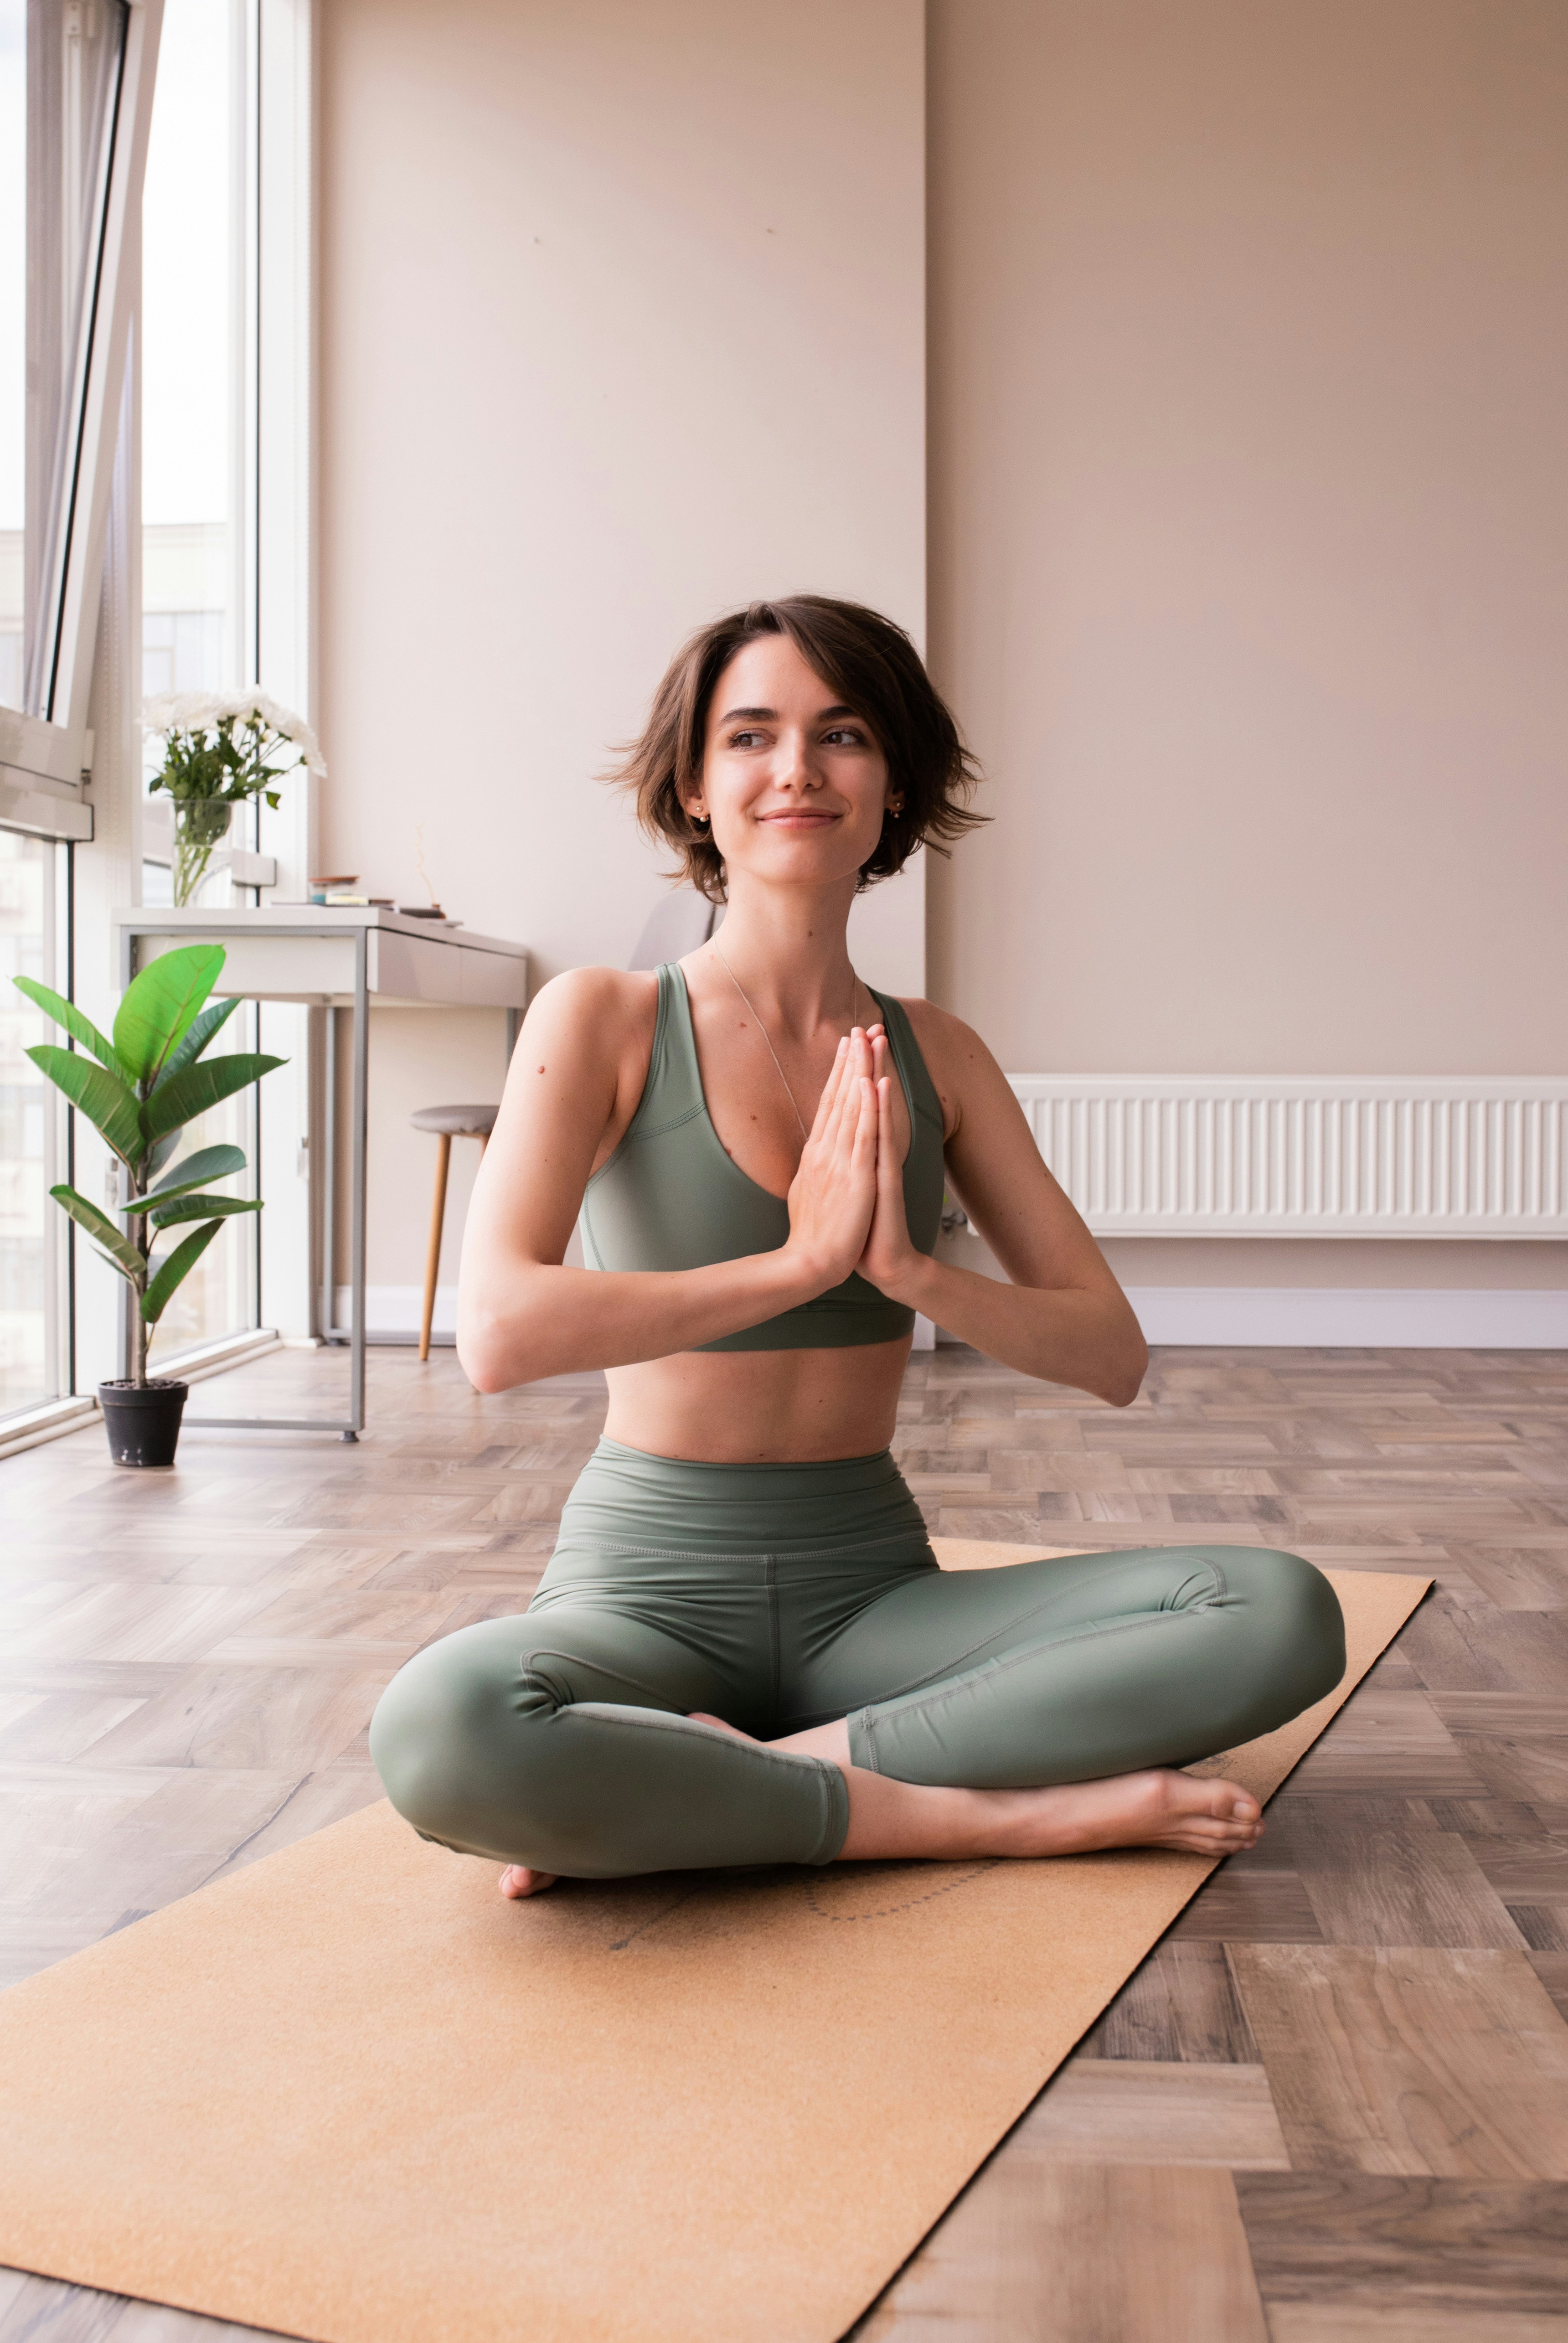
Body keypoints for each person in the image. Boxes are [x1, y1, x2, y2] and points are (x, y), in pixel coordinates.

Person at [369, 596, 1345, 1898]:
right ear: (695, 786)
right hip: (642, 1596)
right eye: (751, 736)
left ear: (893, 788)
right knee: (443, 1728)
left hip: (871, 1600)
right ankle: (975, 1815)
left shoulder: (942, 1054)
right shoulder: (600, 1017)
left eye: (841, 735)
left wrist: (911, 1276)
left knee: (1280, 1611)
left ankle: (728, 1782)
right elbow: (496, 1333)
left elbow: (1110, 1353)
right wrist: (794, 1266)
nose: (796, 770)